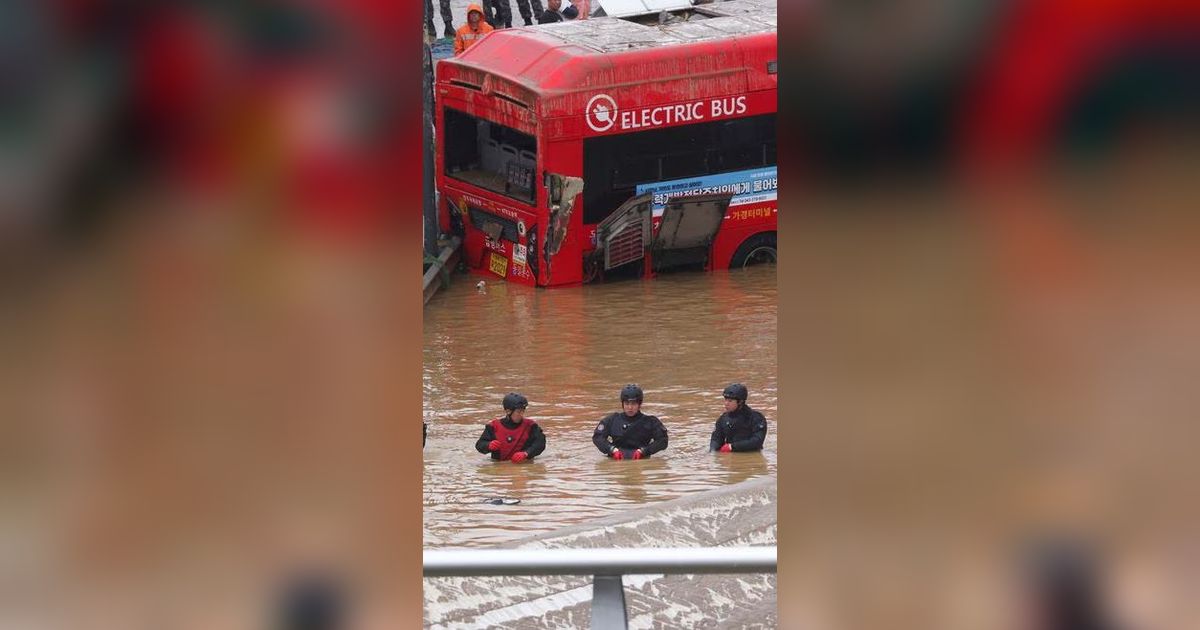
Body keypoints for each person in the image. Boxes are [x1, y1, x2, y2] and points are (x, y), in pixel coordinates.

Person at [593, 384, 668, 459]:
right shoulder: (612, 420)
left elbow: (662, 441)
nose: (630, 407)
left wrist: (644, 451)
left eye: (633, 404)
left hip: (641, 459)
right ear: (622, 404)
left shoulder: (651, 422)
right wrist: (612, 449)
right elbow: (598, 437)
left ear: (640, 404)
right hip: (616, 459)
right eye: (627, 403)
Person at [475, 392, 546, 462]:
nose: (521, 414)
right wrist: (488, 445)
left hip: (523, 465)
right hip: (499, 466)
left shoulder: (531, 426)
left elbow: (540, 443)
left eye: (523, 411)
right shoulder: (493, 426)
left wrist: (526, 453)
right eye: (518, 412)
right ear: (508, 411)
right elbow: (479, 445)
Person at [709, 383, 768, 452]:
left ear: (740, 402)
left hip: (750, 456)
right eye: (725, 400)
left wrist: (732, 447)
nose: (726, 403)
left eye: (730, 401)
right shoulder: (723, 419)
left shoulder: (757, 418)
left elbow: (757, 441)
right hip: (729, 457)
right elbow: (716, 439)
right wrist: (713, 452)